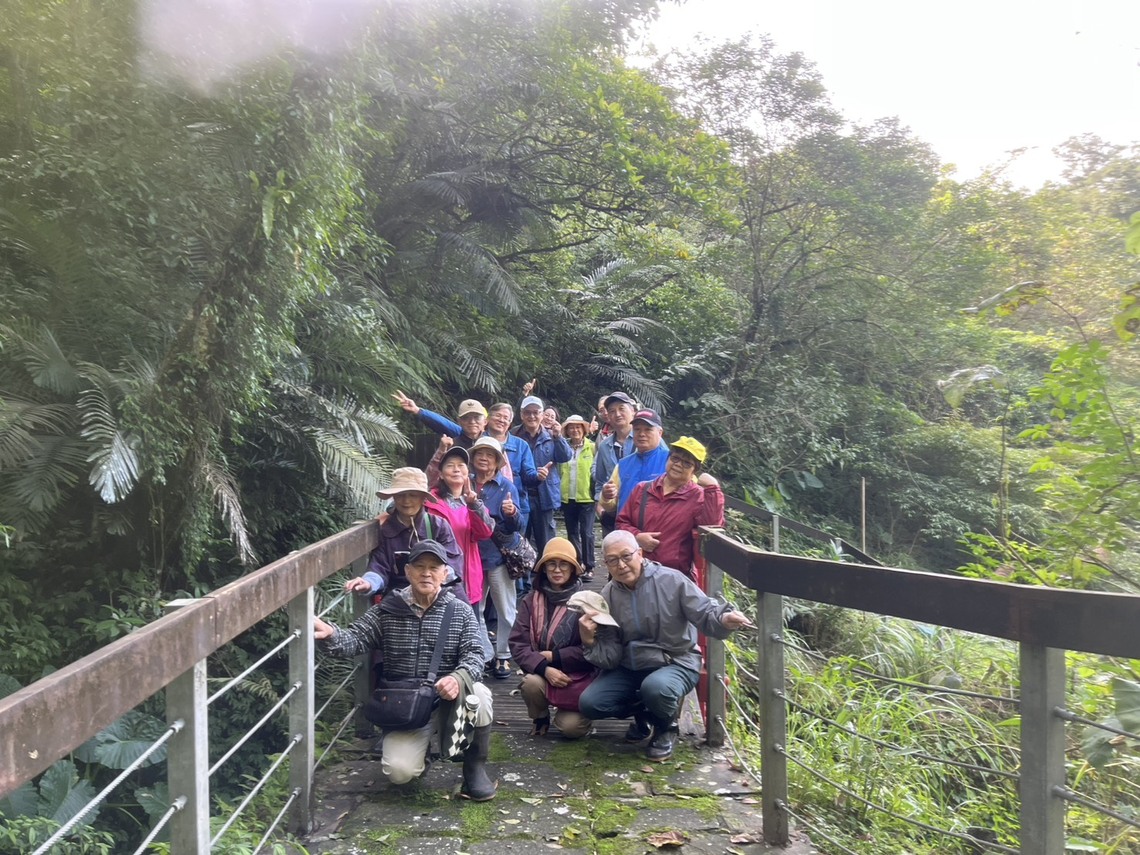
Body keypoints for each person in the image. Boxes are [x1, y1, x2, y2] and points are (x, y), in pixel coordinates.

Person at [314, 540, 497, 800]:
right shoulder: (388, 610)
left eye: (434, 567)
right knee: (399, 772)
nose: (426, 573)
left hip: (448, 701)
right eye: (420, 567)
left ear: (445, 573)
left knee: (478, 693)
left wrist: (457, 678)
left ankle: (474, 768)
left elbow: (476, 655)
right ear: (408, 572)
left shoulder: (460, 611)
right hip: (406, 705)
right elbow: (355, 638)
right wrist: (330, 633)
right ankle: (419, 756)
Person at [577, 530, 752, 762]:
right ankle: (645, 712)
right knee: (591, 703)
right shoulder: (608, 594)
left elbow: (705, 610)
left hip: (677, 660)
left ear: (639, 553)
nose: (621, 565)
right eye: (612, 560)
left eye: (626, 556)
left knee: (656, 688)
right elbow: (611, 655)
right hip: (632, 666)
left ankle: (665, 727)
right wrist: (589, 640)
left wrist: (724, 619)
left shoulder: (672, 580)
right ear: (606, 564)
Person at [509, 537, 597, 739]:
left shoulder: (587, 603)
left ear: (573, 568)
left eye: (564, 564)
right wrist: (544, 668)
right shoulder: (531, 601)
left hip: (578, 678)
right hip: (544, 674)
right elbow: (517, 644)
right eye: (551, 564)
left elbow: (593, 650)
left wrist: (555, 657)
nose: (557, 570)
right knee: (530, 683)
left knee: (571, 729)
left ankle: (576, 714)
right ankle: (540, 716)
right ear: (544, 569)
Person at [345, 467, 465, 601]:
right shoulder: (386, 530)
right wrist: (368, 583)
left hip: (440, 593)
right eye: (400, 495)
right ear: (394, 497)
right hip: (400, 598)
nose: (406, 501)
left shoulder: (438, 526)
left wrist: (428, 581)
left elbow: (453, 564)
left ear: (423, 498)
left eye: (412, 495)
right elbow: (380, 566)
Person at [616, 437, 724, 580]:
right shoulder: (643, 489)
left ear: (694, 470)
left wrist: (713, 490)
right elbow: (621, 523)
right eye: (675, 458)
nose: (678, 465)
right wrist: (637, 537)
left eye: (687, 463)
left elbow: (712, 529)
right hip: (638, 571)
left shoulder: (698, 497)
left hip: (673, 577)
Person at [426, 445, 495, 659]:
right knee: (444, 628)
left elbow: (485, 532)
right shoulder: (430, 501)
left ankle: (473, 669)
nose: (456, 469)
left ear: (468, 471)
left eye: (461, 465)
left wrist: (474, 504)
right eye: (450, 466)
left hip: (470, 575)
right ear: (441, 473)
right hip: (442, 576)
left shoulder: (473, 501)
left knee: (470, 627)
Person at [469, 435, 523, 680]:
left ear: (498, 461)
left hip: (498, 556)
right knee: (473, 609)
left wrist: (511, 514)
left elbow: (517, 525)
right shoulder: (465, 483)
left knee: (505, 608)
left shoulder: (506, 487)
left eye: (489, 454)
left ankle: (503, 654)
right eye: (480, 453)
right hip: (470, 556)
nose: (483, 457)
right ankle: (483, 652)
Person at [513, 395, 572, 554]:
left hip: (544, 495)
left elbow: (565, 457)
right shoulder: (514, 434)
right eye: (527, 412)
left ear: (541, 414)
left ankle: (546, 576)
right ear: (521, 414)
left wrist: (559, 437)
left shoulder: (551, 435)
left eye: (536, 412)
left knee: (546, 540)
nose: (532, 416)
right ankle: (525, 577)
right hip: (520, 495)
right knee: (520, 539)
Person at [390, 392, 487, 484]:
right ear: (459, 421)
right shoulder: (452, 445)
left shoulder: (492, 444)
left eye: (477, 417)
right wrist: (418, 411)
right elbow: (442, 423)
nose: (472, 421)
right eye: (466, 418)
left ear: (485, 421)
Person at [597, 408, 670, 524]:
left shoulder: (671, 460)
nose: (641, 434)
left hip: (661, 532)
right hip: (627, 533)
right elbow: (611, 506)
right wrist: (606, 496)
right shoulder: (622, 465)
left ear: (660, 433)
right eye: (637, 429)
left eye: (648, 429)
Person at [559, 414, 597, 582]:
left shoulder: (593, 448)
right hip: (568, 497)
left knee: (586, 532)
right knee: (572, 532)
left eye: (578, 427)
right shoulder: (563, 447)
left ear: (584, 430)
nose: (574, 430)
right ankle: (578, 562)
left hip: (586, 497)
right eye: (571, 427)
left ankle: (589, 566)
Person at [592, 392, 635, 539]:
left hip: (641, 514)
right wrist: (600, 510)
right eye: (612, 411)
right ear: (608, 417)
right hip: (613, 515)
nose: (617, 414)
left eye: (622, 408)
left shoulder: (645, 439)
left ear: (633, 412)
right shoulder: (604, 446)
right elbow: (599, 481)